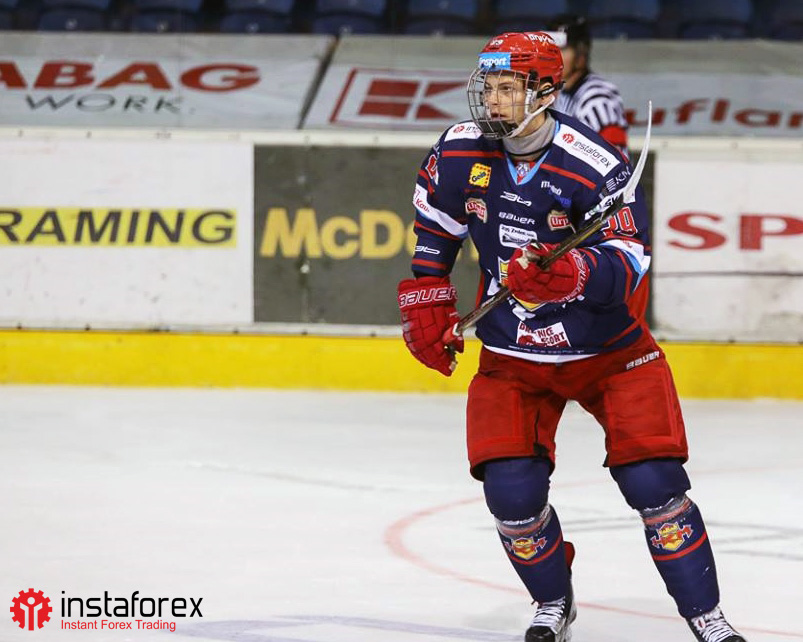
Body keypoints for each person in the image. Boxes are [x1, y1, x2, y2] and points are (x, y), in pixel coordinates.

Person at [396, 31, 746, 642]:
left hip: (610, 354)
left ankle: (708, 619)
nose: (492, 100)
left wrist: (572, 272)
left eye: (508, 88)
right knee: (511, 494)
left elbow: (629, 263)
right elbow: (436, 230)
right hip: (511, 353)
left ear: (545, 92)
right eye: (488, 86)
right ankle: (554, 602)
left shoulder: (595, 164)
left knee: (655, 484)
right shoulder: (457, 150)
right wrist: (428, 296)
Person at [546, 14, 630, 155]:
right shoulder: (563, 92)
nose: (553, 58)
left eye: (562, 50)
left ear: (581, 53)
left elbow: (616, 161)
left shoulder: (599, 100)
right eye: (550, 50)